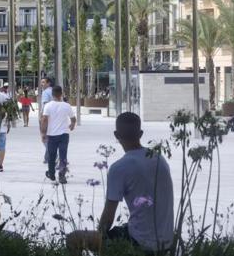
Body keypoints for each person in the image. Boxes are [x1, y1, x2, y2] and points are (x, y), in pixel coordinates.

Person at [67, 112, 174, 255]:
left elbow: (108, 217)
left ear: (116, 135)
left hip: (139, 242)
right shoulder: (159, 158)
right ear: (140, 133)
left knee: (74, 238)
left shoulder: (120, 167)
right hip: (166, 240)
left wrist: (100, 240)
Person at [40, 86, 76, 184]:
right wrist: (72, 125)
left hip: (52, 135)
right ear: (61, 94)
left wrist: (43, 133)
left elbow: (44, 120)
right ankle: (62, 176)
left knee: (52, 156)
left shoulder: (48, 106)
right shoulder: (66, 106)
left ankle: (51, 175)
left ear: (52, 94)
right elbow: (73, 118)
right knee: (63, 155)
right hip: (64, 135)